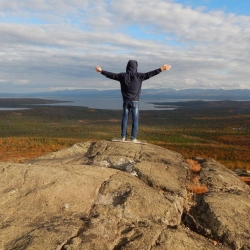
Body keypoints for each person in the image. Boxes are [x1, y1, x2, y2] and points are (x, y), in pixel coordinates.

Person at [95, 60, 171, 142]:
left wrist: (101, 71)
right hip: (135, 102)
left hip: (126, 101)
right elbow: (150, 74)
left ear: (127, 66)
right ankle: (133, 138)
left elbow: (111, 75)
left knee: (125, 118)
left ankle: (123, 137)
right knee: (135, 119)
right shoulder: (140, 76)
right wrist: (161, 69)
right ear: (136, 67)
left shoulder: (122, 76)